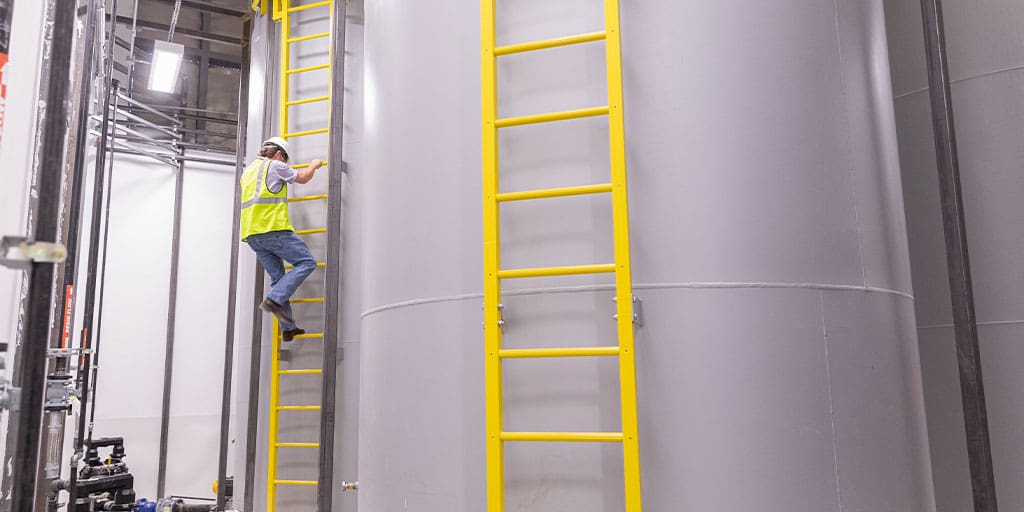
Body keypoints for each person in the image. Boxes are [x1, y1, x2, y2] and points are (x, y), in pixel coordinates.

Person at [240, 136, 325, 341]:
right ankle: (274, 299)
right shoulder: (275, 165)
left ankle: (287, 328)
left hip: (252, 235)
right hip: (273, 228)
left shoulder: (248, 171)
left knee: (278, 279)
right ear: (279, 154)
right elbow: (303, 177)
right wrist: (314, 165)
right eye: (285, 160)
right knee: (306, 262)